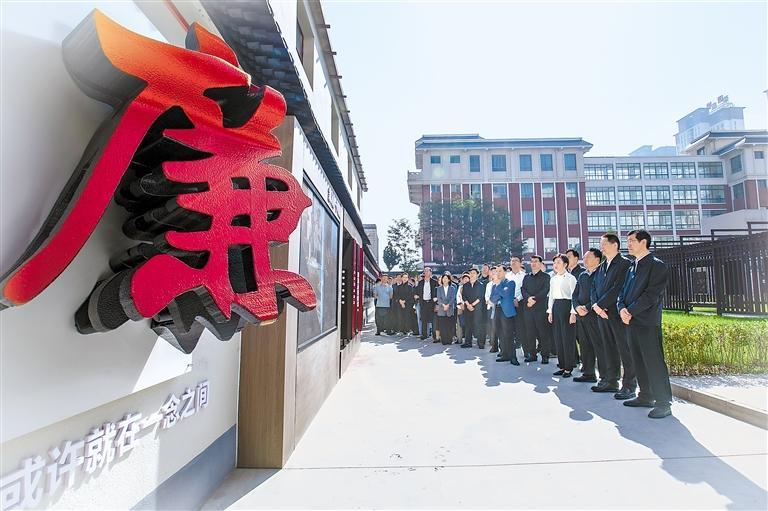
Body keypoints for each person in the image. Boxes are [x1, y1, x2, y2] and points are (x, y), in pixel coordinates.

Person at [619, 229, 673, 419]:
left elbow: (652, 295)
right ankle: (645, 396)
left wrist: (630, 311)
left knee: (653, 362)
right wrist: (621, 309)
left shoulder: (656, 265)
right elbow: (622, 293)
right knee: (638, 361)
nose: (628, 244)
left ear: (644, 242)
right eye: (627, 241)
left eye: (632, 240)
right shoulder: (632, 266)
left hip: (647, 322)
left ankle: (663, 403)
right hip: (631, 322)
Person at [591, 233, 636, 400]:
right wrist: (596, 306)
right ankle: (611, 381)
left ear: (615, 245)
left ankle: (629, 386)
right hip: (602, 314)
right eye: (601, 244)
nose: (601, 247)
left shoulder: (624, 264)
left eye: (604, 244)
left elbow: (618, 288)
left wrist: (601, 305)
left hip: (616, 314)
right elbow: (593, 287)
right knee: (608, 348)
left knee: (625, 350)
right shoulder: (602, 266)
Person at [571, 248, 603, 383]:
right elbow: (575, 294)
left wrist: (587, 307)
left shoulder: (601, 274)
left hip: (595, 316)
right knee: (585, 346)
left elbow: (600, 294)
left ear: (597, 259)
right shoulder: (582, 275)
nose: (584, 260)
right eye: (584, 258)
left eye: (588, 257)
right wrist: (577, 306)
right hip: (581, 316)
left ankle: (605, 377)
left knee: (599, 346)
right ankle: (588, 373)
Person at [547, 254, 578, 377]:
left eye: (558, 262)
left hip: (567, 306)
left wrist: (573, 313)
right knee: (558, 338)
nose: (556, 265)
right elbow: (551, 296)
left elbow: (574, 296)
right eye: (554, 263)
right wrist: (550, 311)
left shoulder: (571, 278)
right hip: (556, 307)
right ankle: (562, 365)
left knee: (567, 338)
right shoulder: (553, 279)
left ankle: (568, 368)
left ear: (565, 264)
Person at [521, 255, 552, 363]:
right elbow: (523, 289)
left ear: (540, 263)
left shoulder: (546, 277)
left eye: (536, 261)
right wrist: (528, 298)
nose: (533, 263)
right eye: (532, 261)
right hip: (528, 309)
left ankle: (545, 356)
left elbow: (545, 290)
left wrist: (534, 299)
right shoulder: (526, 277)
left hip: (541, 309)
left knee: (543, 333)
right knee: (530, 333)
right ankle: (532, 355)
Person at [490, 265, 519, 364]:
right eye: (496, 271)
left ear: (505, 272)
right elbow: (492, 299)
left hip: (506, 311)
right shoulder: (494, 285)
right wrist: (499, 292)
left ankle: (513, 357)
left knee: (509, 334)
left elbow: (505, 294)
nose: (497, 273)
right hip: (497, 310)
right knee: (500, 334)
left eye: (500, 271)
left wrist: (499, 289)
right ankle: (504, 354)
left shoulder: (510, 283)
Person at [506, 256, 527, 351]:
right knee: (509, 326)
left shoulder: (524, 276)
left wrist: (517, 299)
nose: (513, 262)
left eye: (516, 261)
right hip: (508, 303)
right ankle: (509, 350)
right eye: (512, 261)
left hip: (520, 303)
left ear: (520, 263)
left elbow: (525, 289)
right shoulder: (507, 276)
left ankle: (525, 349)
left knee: (521, 326)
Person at [461, 268, 485, 348]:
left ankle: (480, 343)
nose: (472, 274)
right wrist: (468, 305)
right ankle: (468, 342)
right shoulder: (465, 285)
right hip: (468, 308)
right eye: (471, 273)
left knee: (478, 325)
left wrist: (472, 305)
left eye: (474, 273)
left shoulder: (480, 285)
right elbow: (464, 296)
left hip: (477, 308)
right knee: (468, 325)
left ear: (477, 274)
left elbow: (481, 296)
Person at [414, 267, 438, 341]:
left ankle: (434, 336)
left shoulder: (434, 282)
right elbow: (417, 291)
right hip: (423, 302)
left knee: (433, 320)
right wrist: (416, 295)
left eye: (428, 271)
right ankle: (424, 335)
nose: (426, 272)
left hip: (431, 302)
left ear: (431, 272)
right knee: (423, 319)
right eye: (425, 271)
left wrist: (436, 302)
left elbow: (436, 292)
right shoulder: (420, 282)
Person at [436, 272, 457, 345]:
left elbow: (453, 298)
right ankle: (444, 340)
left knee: (449, 325)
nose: (444, 280)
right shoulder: (439, 288)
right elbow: (439, 298)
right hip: (441, 309)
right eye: (443, 278)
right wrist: (443, 305)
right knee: (442, 326)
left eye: (446, 278)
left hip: (450, 309)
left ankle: (449, 340)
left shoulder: (452, 288)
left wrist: (448, 305)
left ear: (449, 280)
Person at [485, 266, 500, 353]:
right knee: (492, 327)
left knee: (500, 327)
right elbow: (486, 296)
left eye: (495, 271)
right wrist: (490, 302)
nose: (494, 273)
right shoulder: (489, 284)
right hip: (490, 308)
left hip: (499, 307)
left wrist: (495, 302)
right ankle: (494, 346)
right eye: (492, 272)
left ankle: (501, 345)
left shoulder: (500, 283)